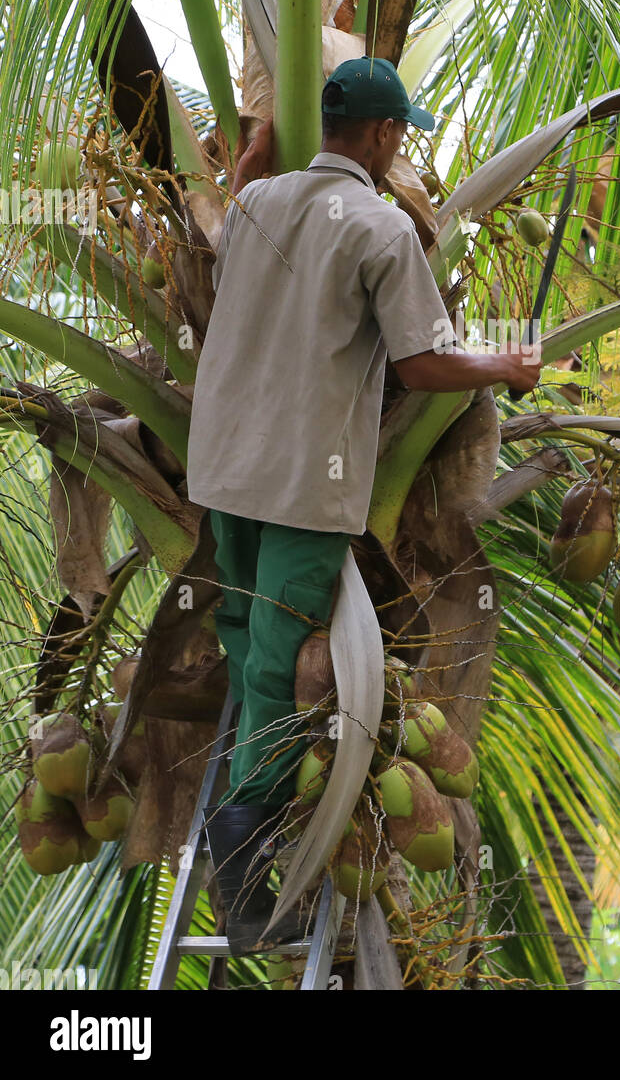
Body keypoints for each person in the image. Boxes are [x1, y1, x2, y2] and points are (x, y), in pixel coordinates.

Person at [185, 56, 540, 951]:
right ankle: (241, 835)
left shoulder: (259, 205)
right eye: (399, 132)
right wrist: (507, 363)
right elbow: (422, 367)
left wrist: (251, 158)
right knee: (273, 668)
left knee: (242, 633)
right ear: (382, 136)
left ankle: (241, 816)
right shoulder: (381, 229)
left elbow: (225, 222)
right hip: (306, 484)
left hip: (224, 471)